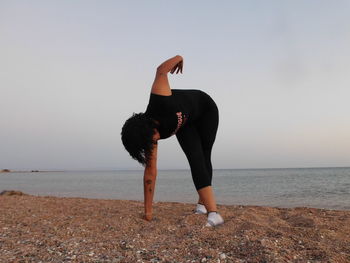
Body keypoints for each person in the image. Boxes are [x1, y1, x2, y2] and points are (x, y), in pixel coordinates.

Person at [121, 55, 224, 227]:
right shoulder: (149, 138)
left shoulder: (158, 100)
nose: (154, 142)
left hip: (205, 109)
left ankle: (211, 212)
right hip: (187, 124)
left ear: (147, 127)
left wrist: (179, 58)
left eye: (151, 139)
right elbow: (150, 173)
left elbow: (160, 71)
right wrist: (148, 211)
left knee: (204, 155)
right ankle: (208, 208)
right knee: (195, 158)